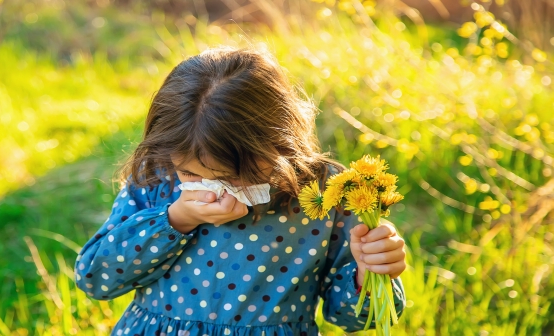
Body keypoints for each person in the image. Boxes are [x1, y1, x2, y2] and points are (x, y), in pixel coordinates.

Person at [74, 45, 407, 335]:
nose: (219, 191)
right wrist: (174, 220)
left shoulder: (324, 195)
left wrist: (370, 272)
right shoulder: (159, 179)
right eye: (193, 174)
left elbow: (355, 320)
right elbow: (96, 279)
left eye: (236, 177)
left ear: (280, 144)